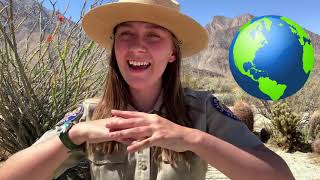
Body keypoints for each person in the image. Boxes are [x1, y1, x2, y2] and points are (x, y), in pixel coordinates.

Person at [0, 0, 294, 179]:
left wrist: (191, 138)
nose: (138, 46)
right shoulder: (89, 115)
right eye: (126, 34)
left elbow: (280, 176)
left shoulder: (203, 110)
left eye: (153, 35)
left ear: (172, 53)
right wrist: (76, 134)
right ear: (114, 47)